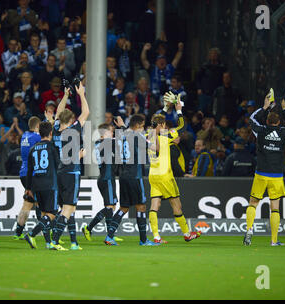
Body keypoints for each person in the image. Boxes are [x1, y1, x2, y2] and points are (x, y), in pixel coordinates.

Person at [147, 94, 201, 244]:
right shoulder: (166, 136)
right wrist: (178, 110)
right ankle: (187, 233)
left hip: (153, 175)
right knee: (176, 205)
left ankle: (156, 237)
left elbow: (156, 122)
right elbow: (183, 127)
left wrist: (165, 107)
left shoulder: (148, 135)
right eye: (163, 124)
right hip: (165, 176)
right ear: (162, 126)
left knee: (154, 205)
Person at [244, 94, 285, 246]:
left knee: (253, 203)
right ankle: (274, 240)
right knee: (275, 208)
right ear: (279, 122)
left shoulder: (261, 131)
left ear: (266, 121)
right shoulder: (284, 133)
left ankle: (249, 229)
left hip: (261, 173)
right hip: (276, 175)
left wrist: (264, 107)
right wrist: (284, 109)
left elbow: (251, 119)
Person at [103, 114, 157, 246]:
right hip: (135, 176)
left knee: (124, 207)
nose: (144, 129)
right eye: (143, 126)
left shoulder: (123, 135)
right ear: (138, 125)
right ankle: (143, 240)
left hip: (123, 175)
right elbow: (155, 148)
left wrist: (122, 126)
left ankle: (109, 236)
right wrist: (155, 133)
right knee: (141, 206)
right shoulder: (138, 137)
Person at [49, 82, 89, 251]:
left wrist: (65, 95)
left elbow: (58, 112)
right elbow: (86, 112)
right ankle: (55, 241)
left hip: (59, 171)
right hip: (72, 171)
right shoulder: (74, 130)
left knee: (65, 208)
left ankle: (61, 239)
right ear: (71, 120)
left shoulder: (56, 129)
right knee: (69, 208)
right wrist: (81, 94)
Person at [82, 123, 122, 242]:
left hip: (105, 177)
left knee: (111, 206)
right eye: (111, 131)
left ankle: (110, 233)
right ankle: (89, 228)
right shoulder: (107, 143)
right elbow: (121, 139)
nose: (113, 133)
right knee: (109, 208)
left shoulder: (99, 143)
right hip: (107, 178)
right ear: (105, 133)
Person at [24, 121, 60, 249]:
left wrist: (28, 188)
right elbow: (58, 166)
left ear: (39, 133)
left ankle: (48, 243)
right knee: (53, 213)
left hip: (37, 184)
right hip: (50, 184)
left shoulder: (33, 148)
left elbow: (29, 170)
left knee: (45, 214)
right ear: (51, 133)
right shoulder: (52, 147)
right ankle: (32, 234)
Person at [13, 116, 41, 240]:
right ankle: (46, 230)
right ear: (37, 127)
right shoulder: (36, 137)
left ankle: (18, 232)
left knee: (28, 203)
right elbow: (47, 138)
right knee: (41, 203)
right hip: (33, 174)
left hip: (23, 173)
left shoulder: (24, 135)